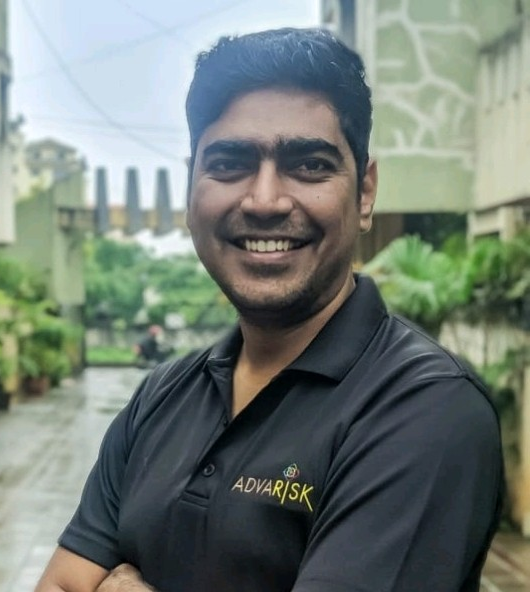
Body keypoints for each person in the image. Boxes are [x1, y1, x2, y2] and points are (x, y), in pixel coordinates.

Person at [35, 28, 503, 592]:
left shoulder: (424, 408)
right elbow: (60, 583)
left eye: (309, 165)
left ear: (365, 193)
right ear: (191, 187)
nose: (264, 201)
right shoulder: (162, 396)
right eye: (229, 163)